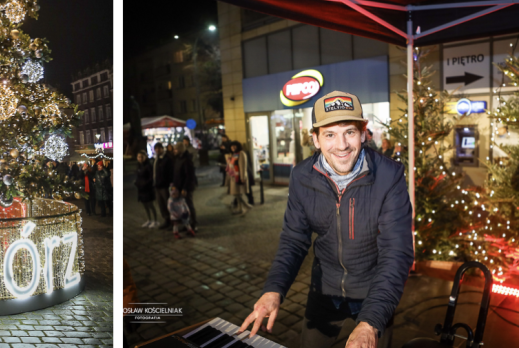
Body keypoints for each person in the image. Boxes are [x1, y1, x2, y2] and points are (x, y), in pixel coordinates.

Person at [239, 91, 413, 348]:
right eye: (330, 134)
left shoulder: (390, 177)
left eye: (349, 132)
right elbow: (294, 240)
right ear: (316, 139)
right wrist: (274, 288)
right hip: (324, 289)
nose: (341, 145)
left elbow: (396, 253)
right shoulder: (301, 176)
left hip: (374, 292)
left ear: (364, 133)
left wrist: (371, 321)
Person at [173, 139, 198, 230]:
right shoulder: (178, 159)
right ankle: (186, 224)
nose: (174, 151)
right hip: (179, 187)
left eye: (175, 149)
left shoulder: (187, 160)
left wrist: (185, 188)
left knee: (188, 205)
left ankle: (193, 224)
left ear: (180, 150)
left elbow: (189, 176)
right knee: (182, 207)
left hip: (186, 187)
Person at [153, 142, 175, 230]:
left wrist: (170, 183)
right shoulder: (156, 159)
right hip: (157, 185)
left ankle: (173, 221)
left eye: (159, 148)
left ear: (162, 148)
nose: (157, 150)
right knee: (161, 204)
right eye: (156, 148)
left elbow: (170, 172)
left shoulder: (167, 158)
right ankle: (166, 220)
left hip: (165, 185)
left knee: (168, 204)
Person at [134, 150, 158, 227]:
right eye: (138, 157)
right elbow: (138, 176)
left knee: (150, 204)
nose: (140, 158)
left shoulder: (148, 166)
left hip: (147, 188)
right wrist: (137, 182)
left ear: (145, 157)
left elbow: (151, 177)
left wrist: (145, 183)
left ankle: (155, 220)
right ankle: (149, 220)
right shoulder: (139, 165)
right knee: (145, 205)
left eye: (141, 157)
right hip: (141, 188)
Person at [228, 141, 252, 216]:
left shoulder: (241, 153)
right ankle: (240, 208)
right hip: (234, 177)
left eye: (234, 146)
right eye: (232, 147)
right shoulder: (234, 154)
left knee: (237, 194)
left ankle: (246, 206)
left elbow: (243, 166)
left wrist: (242, 177)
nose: (233, 148)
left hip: (239, 177)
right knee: (237, 194)